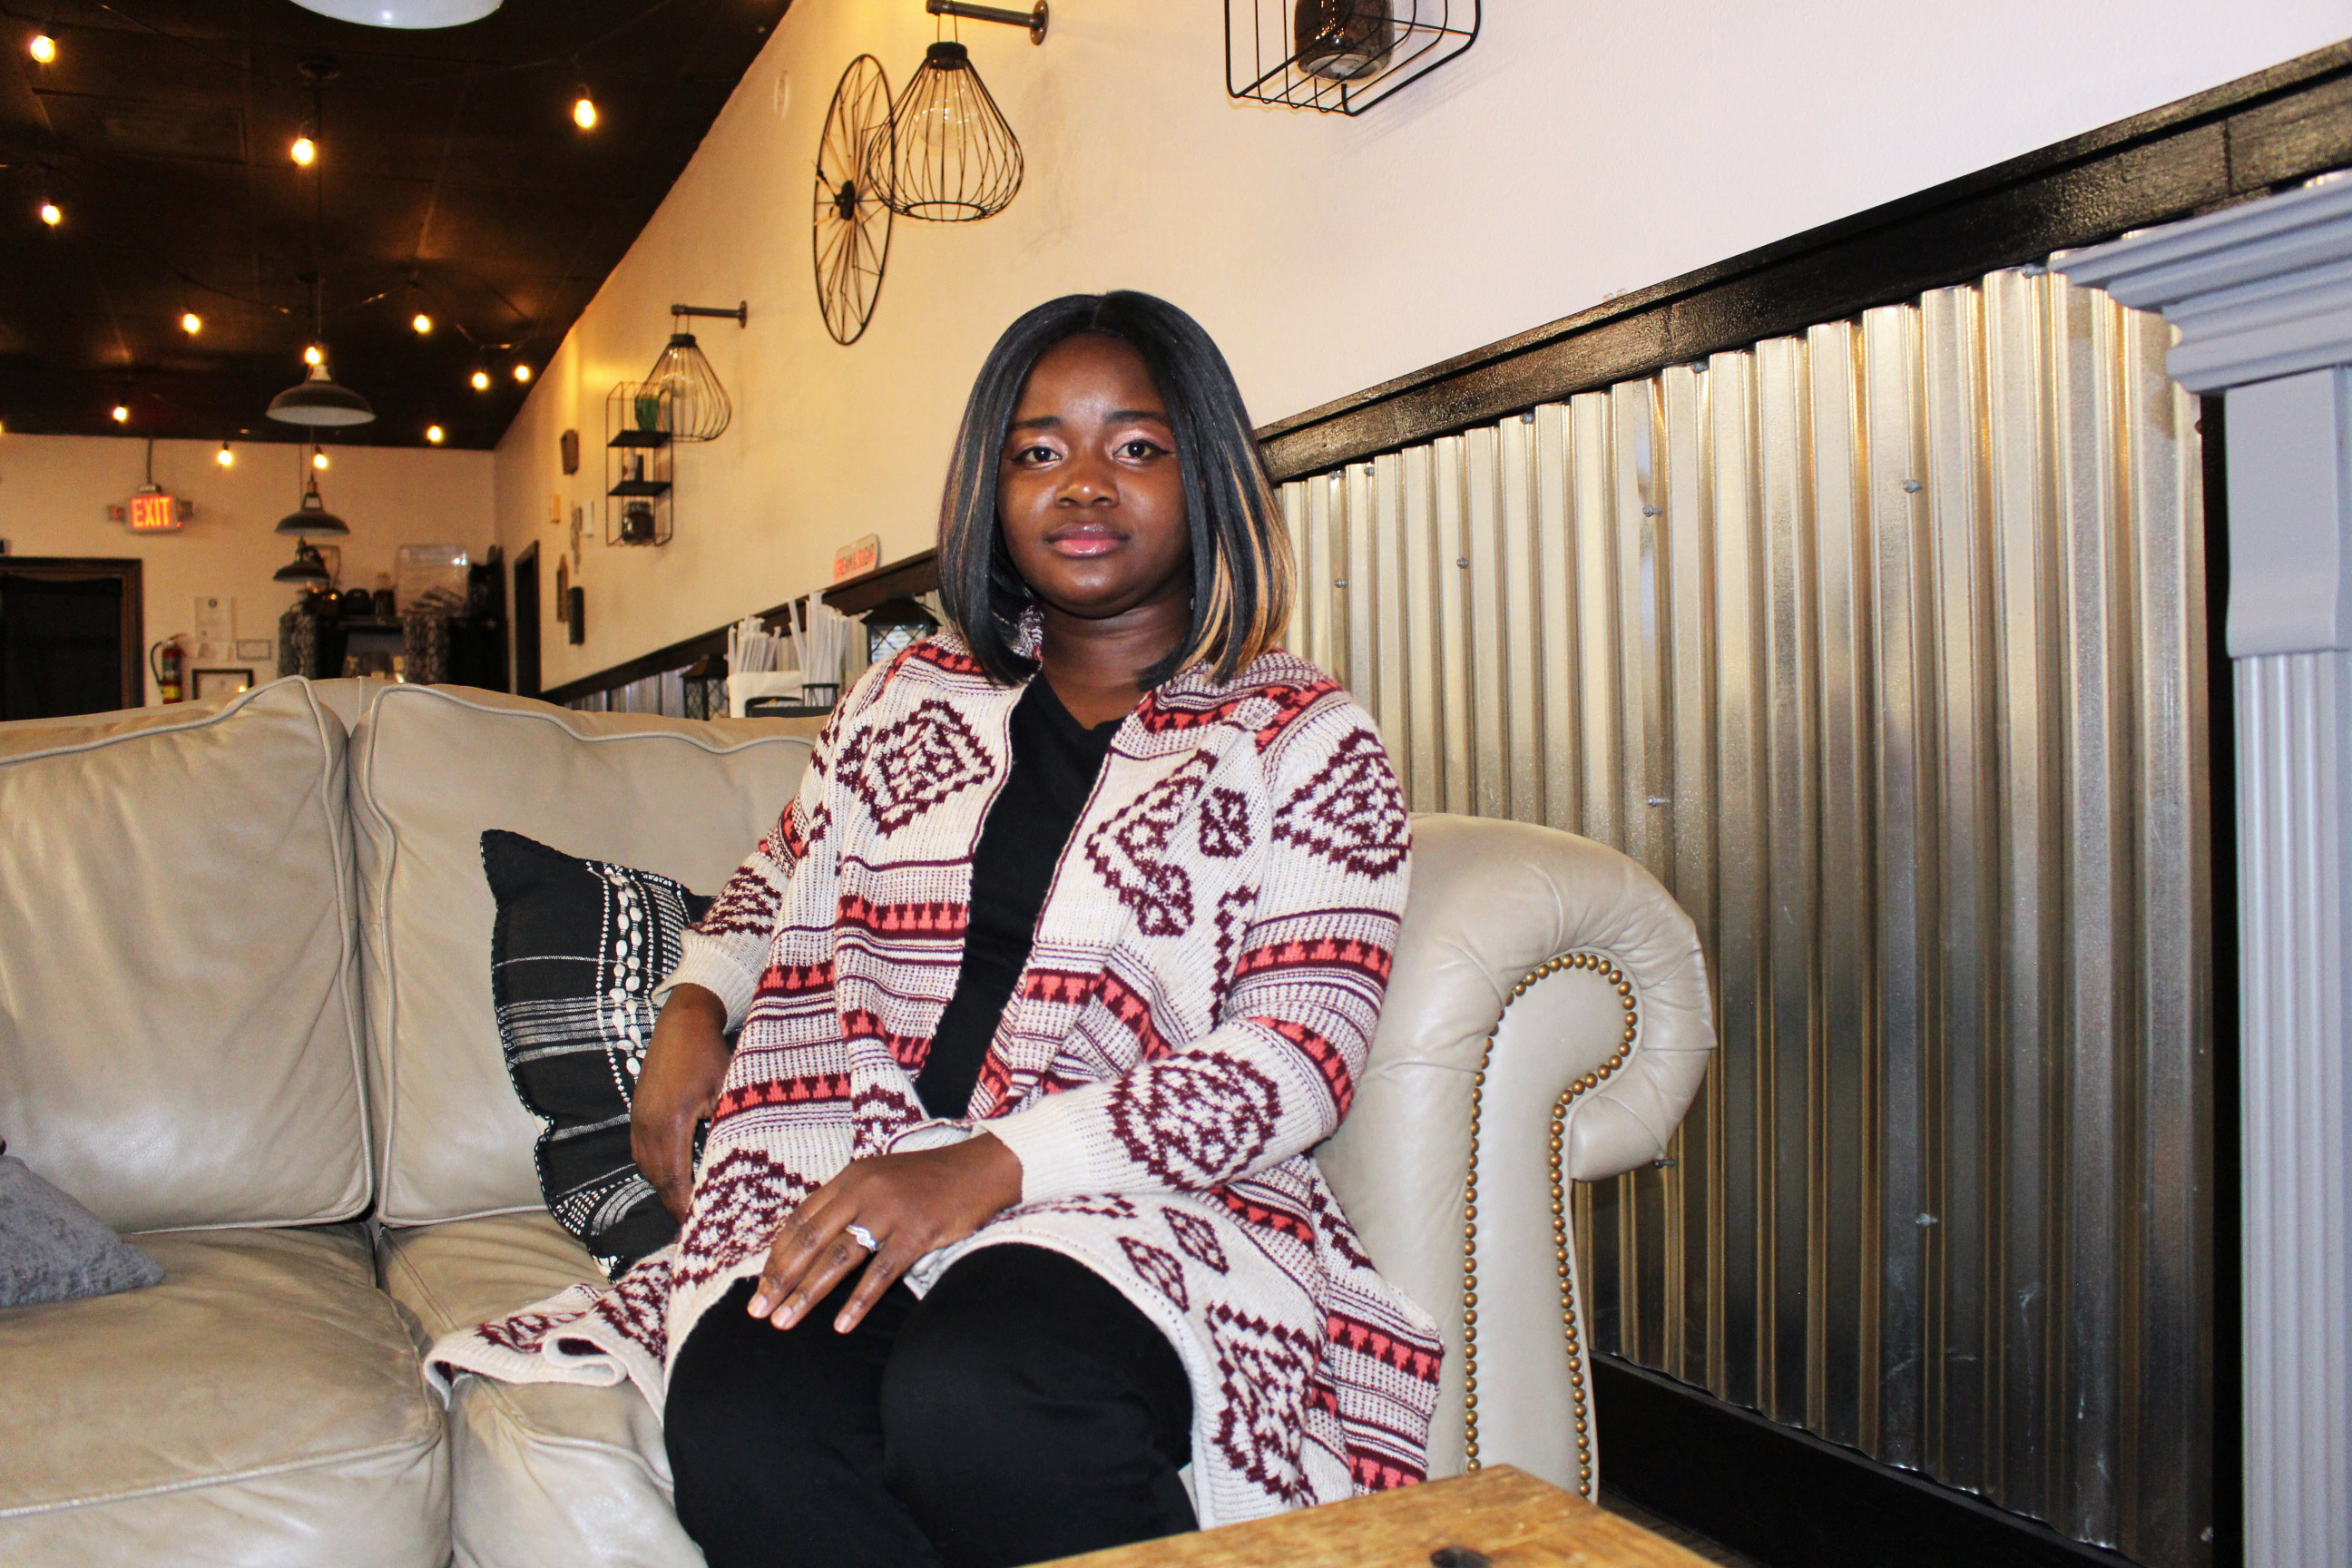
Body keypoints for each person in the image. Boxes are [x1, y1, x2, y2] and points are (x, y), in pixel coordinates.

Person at [433, 292, 1443, 1568]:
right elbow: (778, 876)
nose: (1084, 484)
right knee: (746, 1416)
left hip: (1141, 1198)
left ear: (1211, 477)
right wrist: (694, 1008)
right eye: (1038, 451)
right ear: (990, 487)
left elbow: (1297, 1061)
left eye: (1136, 446)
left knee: (985, 1389)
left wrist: (986, 1168)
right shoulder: (906, 696)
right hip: (857, 1160)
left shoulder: (1299, 735)